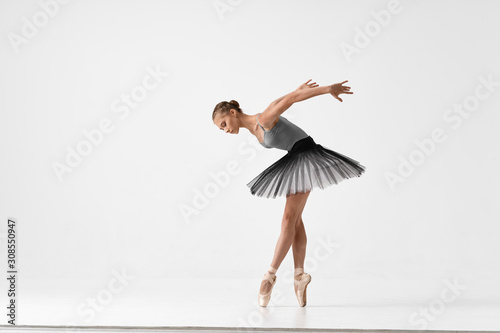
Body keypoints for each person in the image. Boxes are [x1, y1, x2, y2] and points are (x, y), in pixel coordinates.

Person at [212, 79, 366, 307]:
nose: (225, 130)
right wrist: (297, 89)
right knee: (294, 221)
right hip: (296, 158)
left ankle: (269, 277)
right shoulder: (256, 127)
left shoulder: (263, 119)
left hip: (306, 156)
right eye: (221, 129)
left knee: (287, 221)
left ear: (233, 113)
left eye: (223, 124)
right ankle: (299, 276)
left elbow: (289, 101)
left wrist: (326, 90)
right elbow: (284, 98)